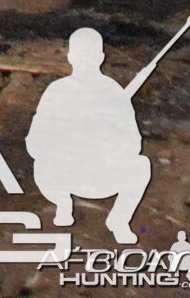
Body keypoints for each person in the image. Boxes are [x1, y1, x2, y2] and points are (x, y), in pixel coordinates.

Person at [28, 25, 155, 244]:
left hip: (97, 175)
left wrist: (102, 141)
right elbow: (36, 142)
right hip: (71, 174)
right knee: (140, 165)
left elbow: (132, 143)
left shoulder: (111, 93)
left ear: (70, 57)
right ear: (101, 57)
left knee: (141, 164)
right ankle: (64, 204)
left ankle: (118, 220)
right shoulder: (60, 91)